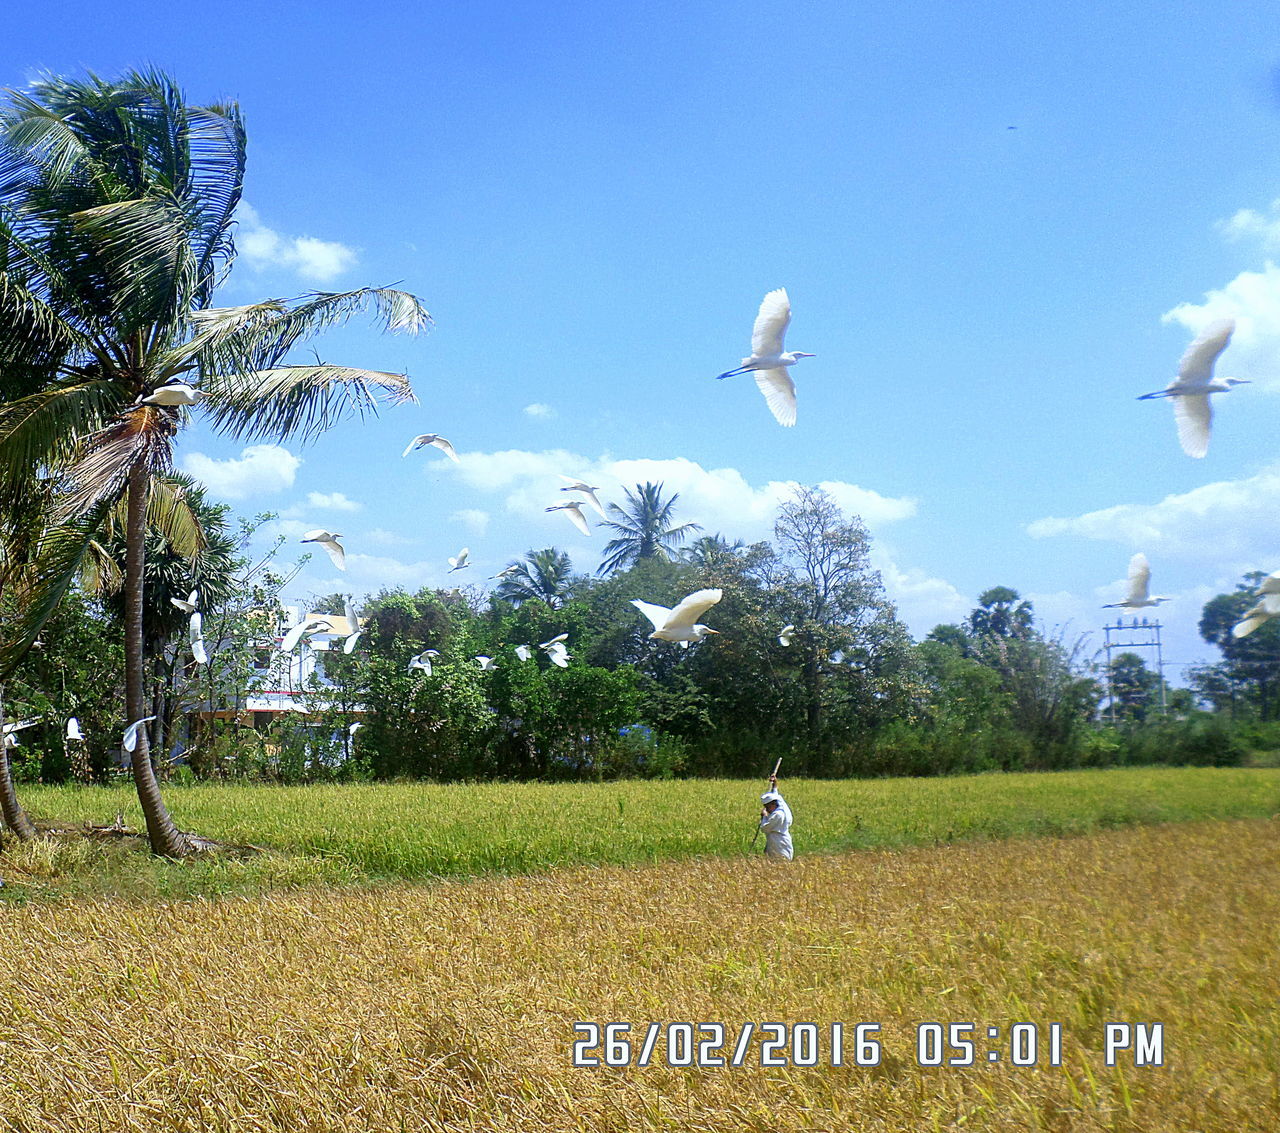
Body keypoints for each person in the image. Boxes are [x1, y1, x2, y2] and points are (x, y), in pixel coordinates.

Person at [758, 774, 793, 860]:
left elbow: (764, 828)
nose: (767, 809)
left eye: (768, 807)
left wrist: (764, 817)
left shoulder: (778, 815)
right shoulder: (780, 804)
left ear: (773, 804)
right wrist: (774, 784)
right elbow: (776, 794)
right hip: (779, 840)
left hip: (779, 843)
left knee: (780, 862)